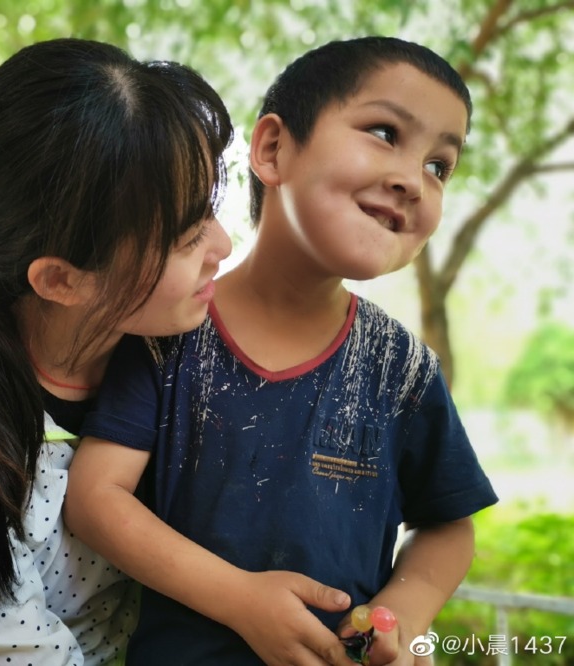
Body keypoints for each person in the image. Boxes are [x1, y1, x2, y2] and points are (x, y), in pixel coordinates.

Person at [64, 36, 499, 666]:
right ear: (272, 149)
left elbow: (449, 525)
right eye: (384, 132)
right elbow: (96, 498)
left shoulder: (400, 369)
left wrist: (397, 617)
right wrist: (241, 598)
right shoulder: (170, 336)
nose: (412, 179)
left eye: (439, 166)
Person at [0, 37, 243, 666]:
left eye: (210, 209)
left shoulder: (191, 352)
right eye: (185, 239)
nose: (225, 246)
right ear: (62, 280)